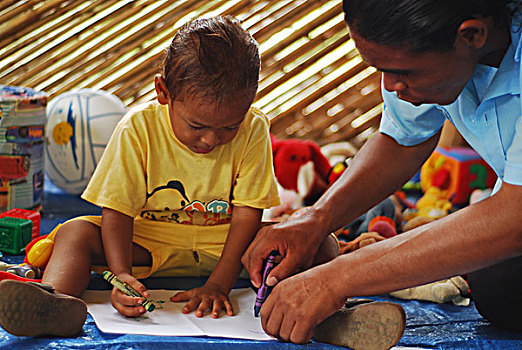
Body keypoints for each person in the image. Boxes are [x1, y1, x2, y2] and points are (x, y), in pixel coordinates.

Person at [241, 0, 522, 344]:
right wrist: (316, 219)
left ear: (472, 34)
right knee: (496, 282)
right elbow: (403, 139)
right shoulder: (443, 54)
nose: (390, 86)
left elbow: (515, 217)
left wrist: (338, 278)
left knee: (500, 283)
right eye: (380, 70)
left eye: (403, 72)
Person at [0, 15, 286, 337]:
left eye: (229, 127)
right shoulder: (138, 128)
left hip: (228, 244)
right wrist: (122, 275)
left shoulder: (254, 128)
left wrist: (220, 282)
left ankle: (329, 307)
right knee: (75, 233)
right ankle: (54, 303)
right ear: (163, 92)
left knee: (312, 243)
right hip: (148, 241)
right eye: (197, 126)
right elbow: (117, 209)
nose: (211, 140)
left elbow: (249, 214)